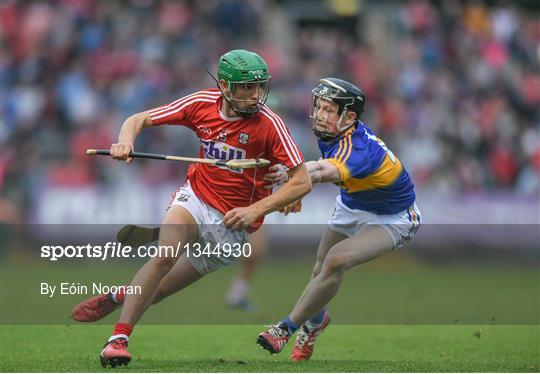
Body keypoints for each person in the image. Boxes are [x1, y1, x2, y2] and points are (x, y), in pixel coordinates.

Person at [71, 50, 311, 368]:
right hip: (196, 200)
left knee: (156, 291)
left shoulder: (270, 124)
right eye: (246, 88)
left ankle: (119, 296)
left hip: (233, 227)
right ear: (225, 86)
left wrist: (257, 210)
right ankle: (118, 340)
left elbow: (302, 181)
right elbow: (138, 119)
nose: (255, 96)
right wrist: (125, 141)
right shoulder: (200, 104)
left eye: (258, 87)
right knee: (165, 255)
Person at [256, 78, 421, 361]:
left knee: (336, 259)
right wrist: (296, 182)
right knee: (320, 269)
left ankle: (285, 329)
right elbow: (321, 169)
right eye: (318, 106)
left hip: (393, 217)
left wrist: (290, 176)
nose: (320, 114)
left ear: (350, 117)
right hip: (352, 203)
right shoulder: (330, 133)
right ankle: (316, 323)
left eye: (329, 109)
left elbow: (320, 170)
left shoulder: (360, 149)